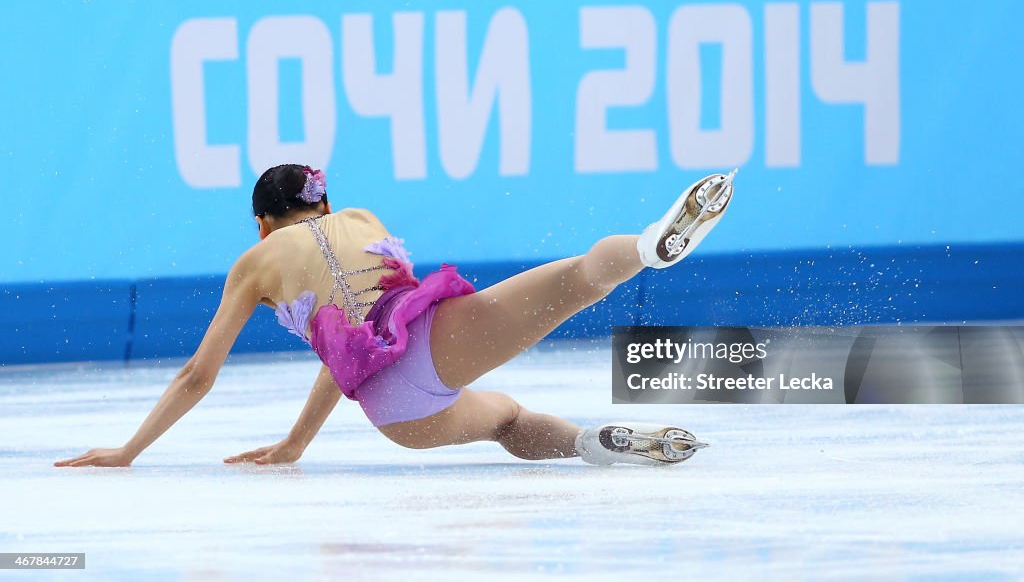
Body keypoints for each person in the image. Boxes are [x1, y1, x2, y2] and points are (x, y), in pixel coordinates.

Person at [54, 165, 735, 469]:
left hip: (395, 415)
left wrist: (130, 450)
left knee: (502, 421)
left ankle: (593, 446)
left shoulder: (254, 264)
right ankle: (651, 246)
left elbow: (201, 375)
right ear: (325, 205)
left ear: (263, 223)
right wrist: (295, 442)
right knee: (582, 278)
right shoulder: (361, 219)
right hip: (433, 347)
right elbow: (384, 328)